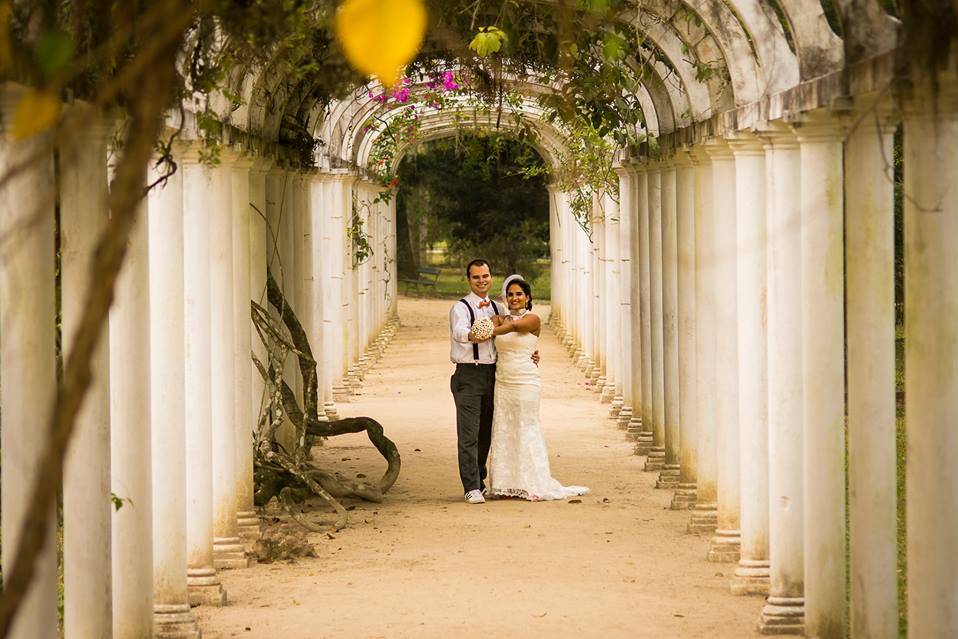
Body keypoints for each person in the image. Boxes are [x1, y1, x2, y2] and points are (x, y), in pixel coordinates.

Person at [479, 275, 589, 501]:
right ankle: (506, 484)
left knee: (526, 427)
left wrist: (489, 329)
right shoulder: (498, 319)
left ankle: (532, 482)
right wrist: (487, 326)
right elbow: (484, 332)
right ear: (505, 297)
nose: (514, 298)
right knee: (504, 428)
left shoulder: (533, 319)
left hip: (526, 380)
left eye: (519, 294)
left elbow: (514, 326)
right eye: (510, 294)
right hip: (504, 380)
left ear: (527, 297)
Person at [449, 259, 539, 504]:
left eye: (485, 276)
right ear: (469, 279)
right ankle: (471, 487)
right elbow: (458, 332)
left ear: (491, 277)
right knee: (468, 434)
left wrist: (529, 352)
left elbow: (515, 333)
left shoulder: (499, 309)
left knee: (487, 432)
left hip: (496, 375)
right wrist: (470, 335)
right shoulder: (461, 308)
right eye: (476, 277)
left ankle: (480, 479)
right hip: (469, 373)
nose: (482, 281)